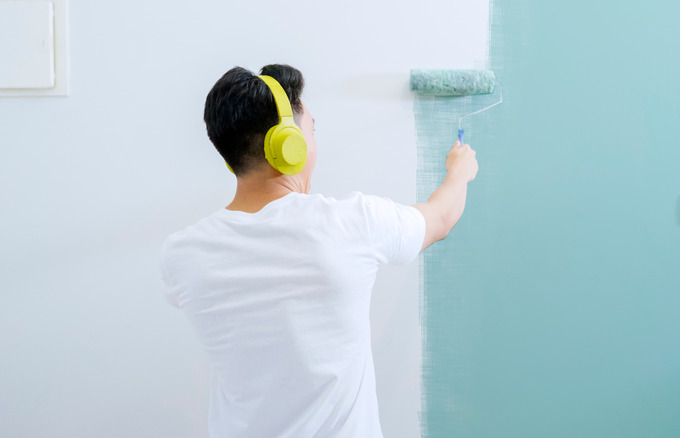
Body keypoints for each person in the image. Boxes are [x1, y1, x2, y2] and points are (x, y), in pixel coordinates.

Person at [159, 64, 478, 438]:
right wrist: (459, 172)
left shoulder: (182, 256)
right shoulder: (350, 224)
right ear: (288, 144)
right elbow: (441, 218)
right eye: (311, 129)